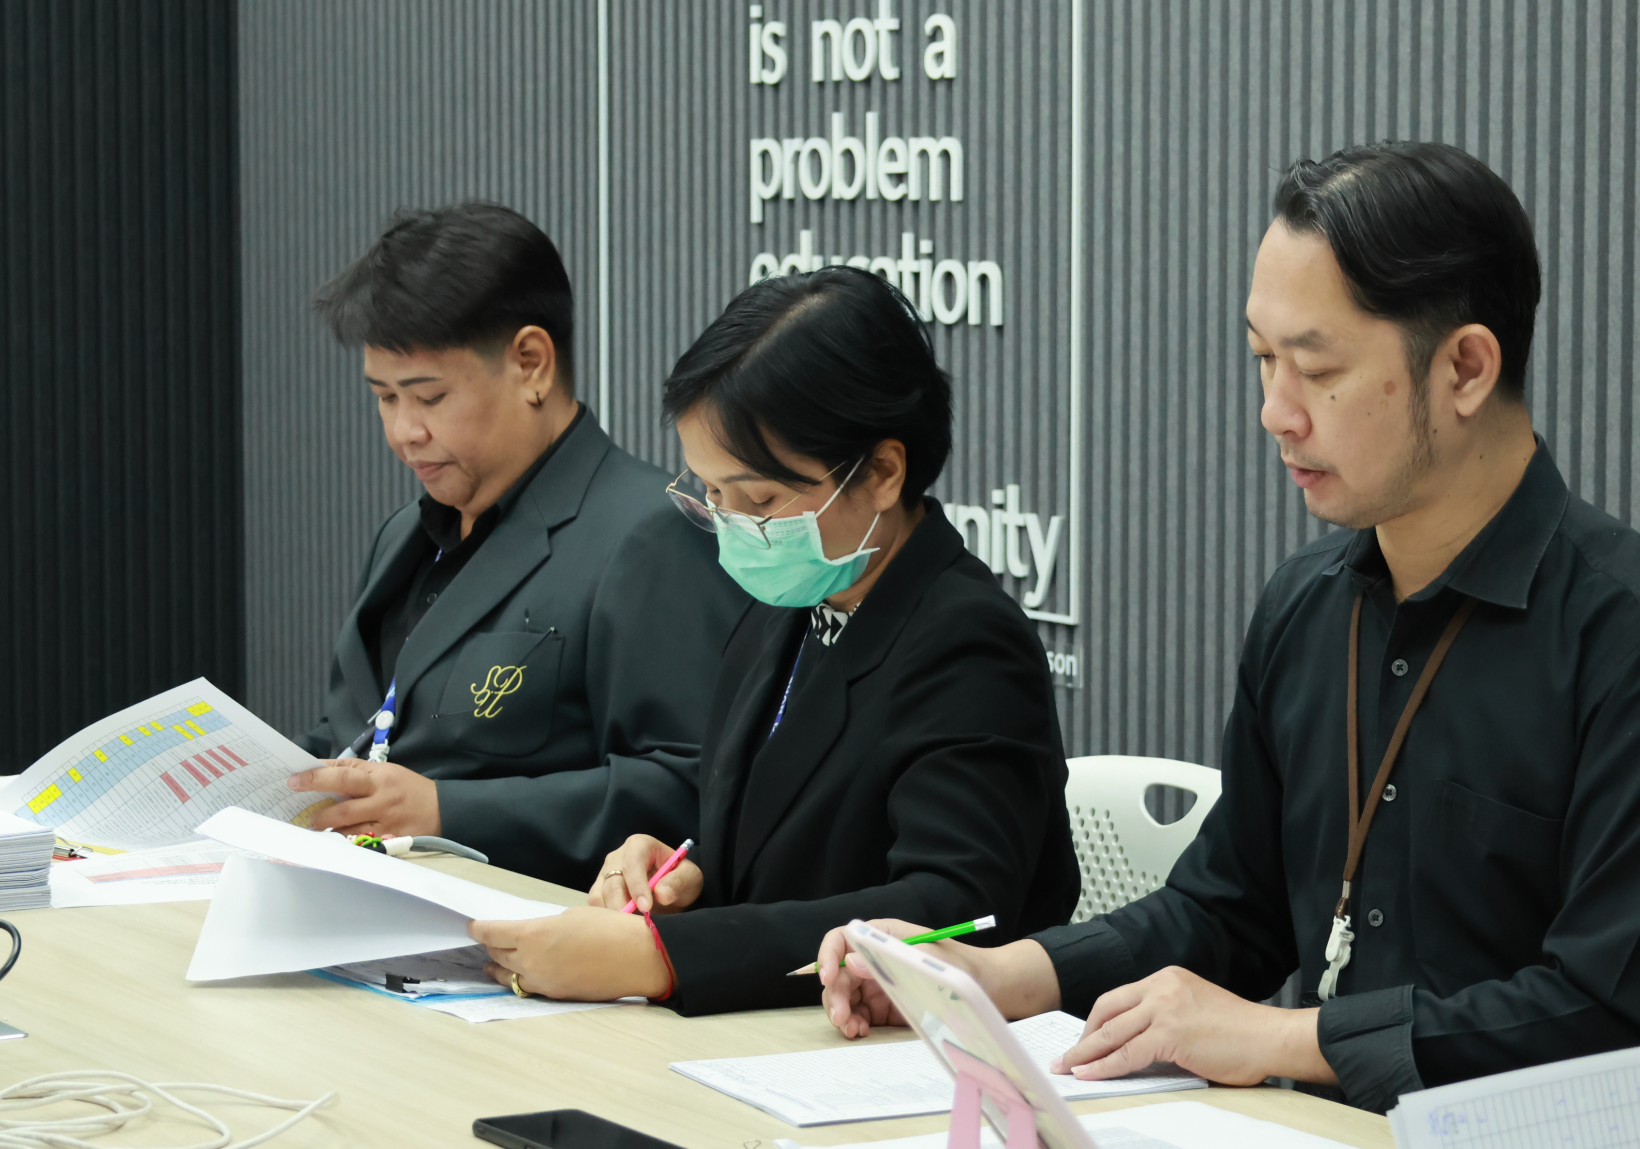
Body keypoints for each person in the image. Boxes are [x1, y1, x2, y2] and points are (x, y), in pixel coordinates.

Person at [814, 142, 1640, 1111]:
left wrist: (1280, 1036)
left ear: (1464, 368)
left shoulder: (1613, 634)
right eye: (1261, 359)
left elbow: (1601, 1008)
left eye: (1314, 368)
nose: (1273, 413)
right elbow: (1229, 907)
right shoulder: (1306, 606)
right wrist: (995, 977)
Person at [465, 266, 1081, 1015]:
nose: (734, 527)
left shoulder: (969, 643)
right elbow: (779, 851)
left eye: (758, 499)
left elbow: (951, 906)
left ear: (883, 472)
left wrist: (663, 958)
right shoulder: (789, 605)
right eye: (712, 495)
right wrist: (687, 873)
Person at [285, 203, 747, 886]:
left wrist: (448, 811)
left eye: (428, 397)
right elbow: (360, 734)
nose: (405, 431)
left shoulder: (651, 533)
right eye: (384, 398)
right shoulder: (402, 536)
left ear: (531, 364)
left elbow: (689, 787)